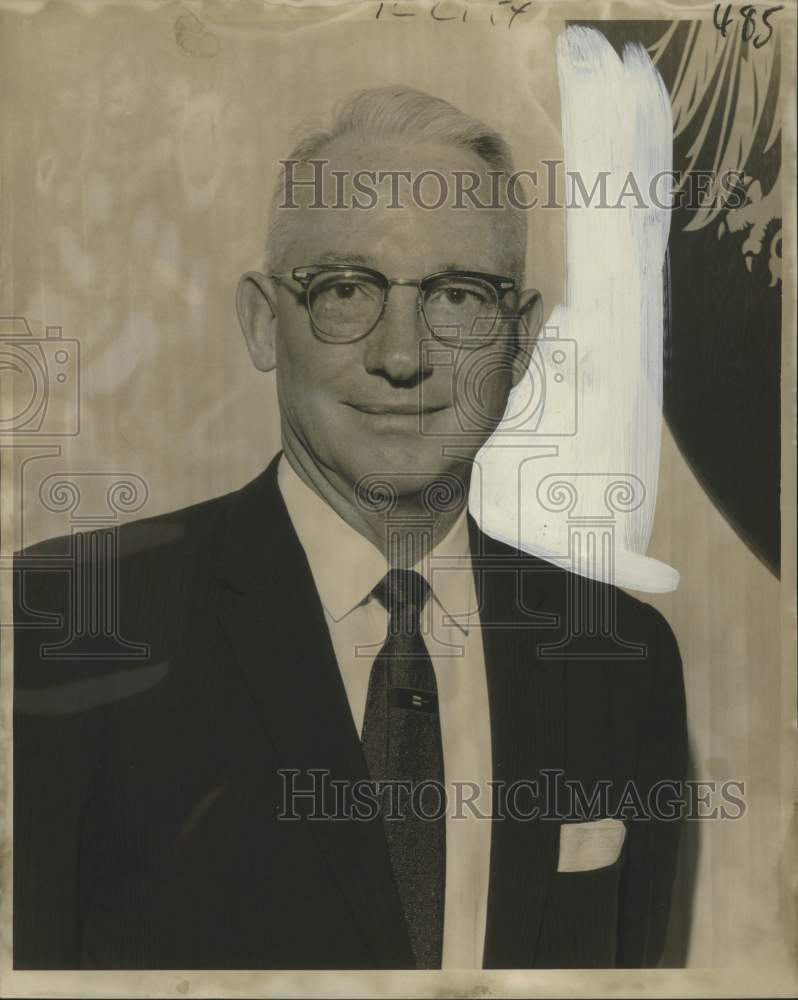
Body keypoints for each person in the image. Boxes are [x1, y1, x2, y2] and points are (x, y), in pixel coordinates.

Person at [13, 86, 687, 971]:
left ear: (519, 342)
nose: (401, 355)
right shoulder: (64, 623)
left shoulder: (622, 658)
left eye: (457, 296)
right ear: (263, 321)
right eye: (344, 289)